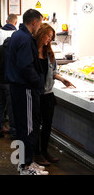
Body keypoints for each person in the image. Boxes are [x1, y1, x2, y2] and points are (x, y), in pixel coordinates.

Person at [6, 9, 47, 175]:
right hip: (25, 88)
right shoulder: (24, 38)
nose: (40, 27)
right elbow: (25, 66)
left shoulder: (17, 35)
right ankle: (26, 166)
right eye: (40, 23)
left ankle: (26, 162)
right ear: (34, 22)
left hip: (18, 88)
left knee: (24, 126)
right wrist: (37, 82)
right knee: (29, 128)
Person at [34, 23, 75, 166]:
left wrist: (63, 79)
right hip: (35, 95)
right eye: (48, 36)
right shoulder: (31, 52)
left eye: (51, 37)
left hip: (48, 95)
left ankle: (44, 151)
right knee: (34, 125)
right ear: (41, 34)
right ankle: (36, 153)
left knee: (47, 124)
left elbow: (53, 72)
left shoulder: (49, 53)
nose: (49, 39)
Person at [0, 36, 17, 139]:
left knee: (0, 105)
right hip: (9, 81)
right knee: (12, 107)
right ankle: (13, 132)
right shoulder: (13, 50)